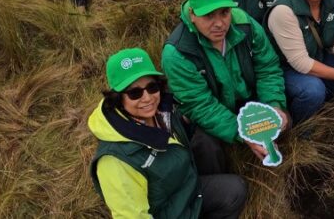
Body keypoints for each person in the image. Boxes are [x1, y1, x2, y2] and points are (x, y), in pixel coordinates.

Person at [89, 48, 246, 218]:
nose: (147, 98)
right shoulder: (114, 160)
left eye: (152, 87)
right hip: (168, 213)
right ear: (118, 98)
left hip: (186, 190)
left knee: (235, 188)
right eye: (135, 93)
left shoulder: (165, 109)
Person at [161, 0, 288, 177]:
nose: (219, 24)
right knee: (206, 146)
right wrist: (243, 133)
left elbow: (267, 68)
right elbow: (200, 106)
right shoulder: (177, 53)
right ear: (192, 14)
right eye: (208, 16)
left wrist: (273, 105)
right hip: (212, 109)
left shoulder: (245, 23)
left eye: (225, 12)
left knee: (284, 118)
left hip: (247, 98)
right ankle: (222, 184)